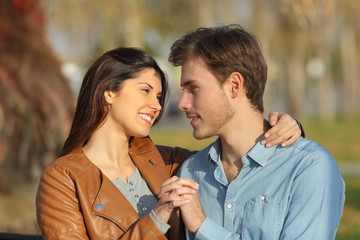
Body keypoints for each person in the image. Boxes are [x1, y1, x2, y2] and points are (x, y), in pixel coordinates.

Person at [36, 47, 302, 240]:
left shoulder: (170, 162)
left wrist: (287, 128)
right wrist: (157, 216)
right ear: (109, 92)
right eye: (145, 90)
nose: (156, 105)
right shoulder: (63, 179)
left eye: (160, 95)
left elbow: (237, 156)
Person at [168, 24, 345, 239]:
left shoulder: (308, 167)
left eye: (193, 88)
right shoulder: (191, 172)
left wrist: (203, 226)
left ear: (234, 85)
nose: (182, 103)